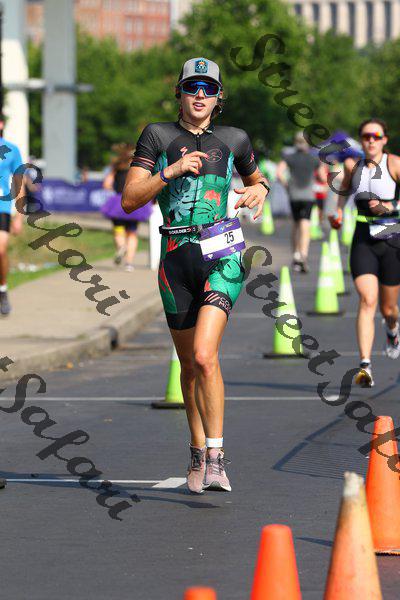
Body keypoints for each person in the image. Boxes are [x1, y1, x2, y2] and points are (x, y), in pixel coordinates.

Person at [122, 57, 269, 493]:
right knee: (188, 365)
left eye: (208, 88)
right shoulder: (158, 135)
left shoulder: (235, 138)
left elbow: (257, 179)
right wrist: (168, 172)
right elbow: (130, 199)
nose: (200, 95)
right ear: (179, 93)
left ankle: (217, 458)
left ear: (219, 96)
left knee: (205, 355)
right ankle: (197, 450)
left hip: (223, 254)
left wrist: (259, 190)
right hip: (175, 259)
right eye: (192, 87)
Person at [329, 118, 400, 387]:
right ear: (361, 140)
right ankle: (365, 365)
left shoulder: (394, 164)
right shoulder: (353, 165)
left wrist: (390, 206)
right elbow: (344, 190)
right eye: (366, 136)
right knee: (367, 299)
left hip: (391, 236)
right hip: (363, 238)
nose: (371, 140)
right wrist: (337, 212)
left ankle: (392, 329)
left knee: (388, 308)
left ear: (384, 140)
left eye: (376, 136)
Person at [276, 132, 326, 273]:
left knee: (296, 224)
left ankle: (295, 254)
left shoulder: (289, 157)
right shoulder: (314, 159)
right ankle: (303, 255)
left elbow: (279, 173)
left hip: (294, 195)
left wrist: (287, 185)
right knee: (305, 224)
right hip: (308, 195)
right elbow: (323, 177)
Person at [0, 115, 24, 315]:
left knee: (0, 251)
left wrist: (19, 216)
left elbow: (19, 183)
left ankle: (2, 289)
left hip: (2, 207)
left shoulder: (11, 149)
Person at [103, 143, 139, 272]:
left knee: (118, 230)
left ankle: (121, 247)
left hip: (118, 202)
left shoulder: (116, 167)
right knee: (132, 233)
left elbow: (106, 184)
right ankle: (129, 263)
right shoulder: (136, 166)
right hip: (133, 201)